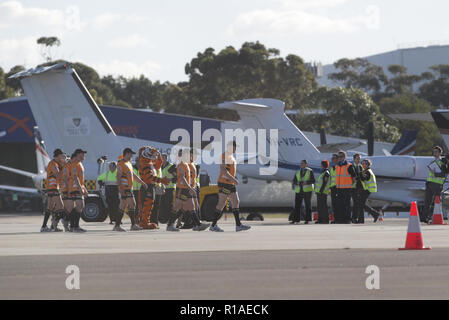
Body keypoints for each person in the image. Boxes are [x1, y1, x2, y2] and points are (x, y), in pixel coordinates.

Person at [210, 141, 251, 232]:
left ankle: (238, 225)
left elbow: (230, 170)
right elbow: (223, 170)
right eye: (234, 147)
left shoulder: (231, 157)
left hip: (230, 183)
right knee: (221, 203)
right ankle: (213, 225)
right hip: (224, 183)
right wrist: (233, 179)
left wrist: (233, 179)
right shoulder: (224, 156)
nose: (236, 149)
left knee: (236, 201)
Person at [166, 149, 209, 232]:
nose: (190, 156)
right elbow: (182, 177)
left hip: (186, 188)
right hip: (182, 188)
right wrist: (190, 188)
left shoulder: (187, 164)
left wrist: (190, 187)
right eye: (188, 155)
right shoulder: (182, 165)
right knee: (178, 207)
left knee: (189, 207)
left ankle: (197, 225)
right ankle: (170, 225)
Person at [137, 146, 170, 229]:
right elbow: (150, 177)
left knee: (150, 205)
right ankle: (144, 222)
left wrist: (158, 155)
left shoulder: (149, 163)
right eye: (152, 154)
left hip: (152, 187)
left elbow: (159, 164)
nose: (153, 156)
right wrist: (162, 180)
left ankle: (146, 221)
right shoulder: (145, 164)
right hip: (147, 187)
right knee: (146, 205)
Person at [115, 148, 148, 232]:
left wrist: (142, 182)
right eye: (131, 154)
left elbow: (133, 175)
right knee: (133, 204)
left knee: (123, 206)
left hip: (129, 188)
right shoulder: (120, 163)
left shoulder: (129, 163)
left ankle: (117, 225)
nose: (132, 156)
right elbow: (118, 177)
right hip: (125, 187)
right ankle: (133, 225)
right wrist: (121, 189)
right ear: (127, 154)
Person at [41, 149, 66, 232]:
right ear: (58, 156)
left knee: (50, 208)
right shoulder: (53, 164)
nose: (62, 158)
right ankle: (53, 225)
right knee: (61, 208)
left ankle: (45, 227)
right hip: (53, 187)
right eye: (61, 156)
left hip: (53, 187)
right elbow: (58, 175)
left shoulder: (55, 164)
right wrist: (64, 166)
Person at [66, 149, 89, 233]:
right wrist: (80, 188)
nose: (83, 157)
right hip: (75, 188)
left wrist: (84, 188)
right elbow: (75, 177)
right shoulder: (74, 164)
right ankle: (74, 226)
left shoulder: (79, 164)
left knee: (79, 207)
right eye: (81, 155)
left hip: (78, 187)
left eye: (84, 155)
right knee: (80, 205)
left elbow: (81, 178)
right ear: (77, 155)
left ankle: (73, 226)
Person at [423, 146, 447, 223]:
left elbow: (443, 174)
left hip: (437, 185)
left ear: (440, 153)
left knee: (436, 202)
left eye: (436, 151)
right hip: (430, 184)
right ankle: (425, 218)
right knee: (427, 201)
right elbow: (430, 174)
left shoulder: (442, 163)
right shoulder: (432, 162)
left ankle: (433, 218)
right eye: (434, 151)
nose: (434, 153)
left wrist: (435, 173)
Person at [334, 151, 356, 224]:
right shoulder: (337, 166)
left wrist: (351, 184)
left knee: (347, 204)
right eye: (338, 157)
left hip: (347, 188)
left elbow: (354, 176)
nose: (339, 158)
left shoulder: (349, 166)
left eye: (341, 157)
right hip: (339, 188)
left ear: (344, 157)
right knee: (340, 204)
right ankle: (341, 219)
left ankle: (347, 219)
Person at [291, 160, 315, 224]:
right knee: (297, 205)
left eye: (302, 163)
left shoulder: (310, 171)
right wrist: (297, 183)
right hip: (299, 190)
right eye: (300, 163)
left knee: (308, 205)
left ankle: (308, 219)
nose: (301, 164)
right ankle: (296, 219)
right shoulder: (298, 171)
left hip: (307, 190)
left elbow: (313, 180)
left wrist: (306, 182)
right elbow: (294, 180)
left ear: (306, 164)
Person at [159, 153, 177, 224]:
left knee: (169, 204)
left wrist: (169, 179)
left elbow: (176, 177)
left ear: (167, 158)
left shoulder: (171, 166)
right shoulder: (159, 166)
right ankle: (164, 219)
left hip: (170, 188)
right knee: (162, 204)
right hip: (162, 188)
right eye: (161, 158)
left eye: (164, 158)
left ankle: (171, 220)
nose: (162, 160)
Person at [351, 154, 365, 224]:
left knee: (358, 203)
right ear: (354, 159)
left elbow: (362, 176)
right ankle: (354, 218)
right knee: (355, 203)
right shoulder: (351, 166)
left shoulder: (360, 166)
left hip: (360, 187)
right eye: (357, 158)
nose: (358, 160)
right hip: (353, 187)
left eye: (359, 158)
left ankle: (357, 217)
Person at [329, 154, 338, 220]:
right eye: (332, 158)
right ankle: (335, 218)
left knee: (337, 203)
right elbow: (331, 178)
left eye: (334, 158)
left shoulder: (339, 167)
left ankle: (337, 218)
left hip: (338, 187)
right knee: (334, 203)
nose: (332, 159)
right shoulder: (332, 168)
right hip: (333, 187)